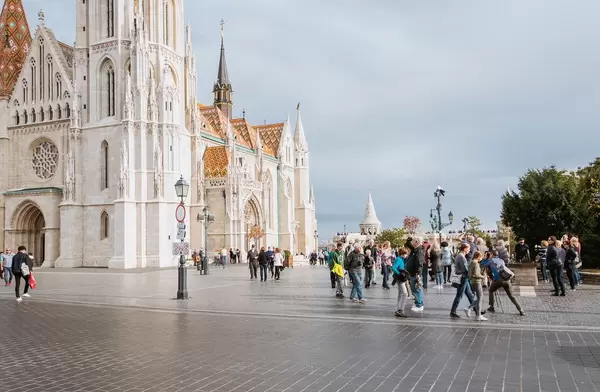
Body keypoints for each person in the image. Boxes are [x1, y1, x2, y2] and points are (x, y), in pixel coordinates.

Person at [483, 250, 525, 315]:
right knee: (511, 296)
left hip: (498, 279)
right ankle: (521, 309)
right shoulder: (501, 260)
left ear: (492, 255)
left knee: (491, 290)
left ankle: (491, 306)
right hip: (506, 279)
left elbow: (489, 272)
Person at [450, 243, 478, 319]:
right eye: (468, 248)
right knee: (459, 295)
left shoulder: (459, 256)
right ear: (465, 248)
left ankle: (476, 310)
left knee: (469, 294)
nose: (469, 250)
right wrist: (472, 273)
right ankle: (453, 311)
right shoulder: (461, 257)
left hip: (463, 277)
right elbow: (465, 269)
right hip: (463, 278)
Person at [465, 251, 487, 321]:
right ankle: (478, 315)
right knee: (480, 298)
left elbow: (469, 274)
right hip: (477, 282)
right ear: (478, 257)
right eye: (481, 257)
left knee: (479, 298)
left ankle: (471, 310)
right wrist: (483, 276)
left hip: (472, 282)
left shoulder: (471, 262)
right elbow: (477, 274)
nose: (481, 259)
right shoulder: (476, 263)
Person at [404, 236, 425, 312]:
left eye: (413, 241)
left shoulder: (419, 250)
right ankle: (417, 303)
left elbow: (420, 263)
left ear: (416, 242)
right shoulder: (415, 249)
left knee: (416, 289)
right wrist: (408, 239)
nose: (412, 242)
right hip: (412, 273)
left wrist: (418, 274)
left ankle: (419, 305)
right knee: (413, 289)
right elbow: (408, 245)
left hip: (415, 273)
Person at [391, 248, 409, 317]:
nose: (406, 255)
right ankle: (400, 309)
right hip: (400, 278)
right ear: (402, 254)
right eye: (405, 254)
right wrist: (399, 273)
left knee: (400, 293)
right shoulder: (399, 259)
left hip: (399, 277)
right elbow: (393, 267)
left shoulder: (400, 259)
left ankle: (398, 308)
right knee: (405, 293)